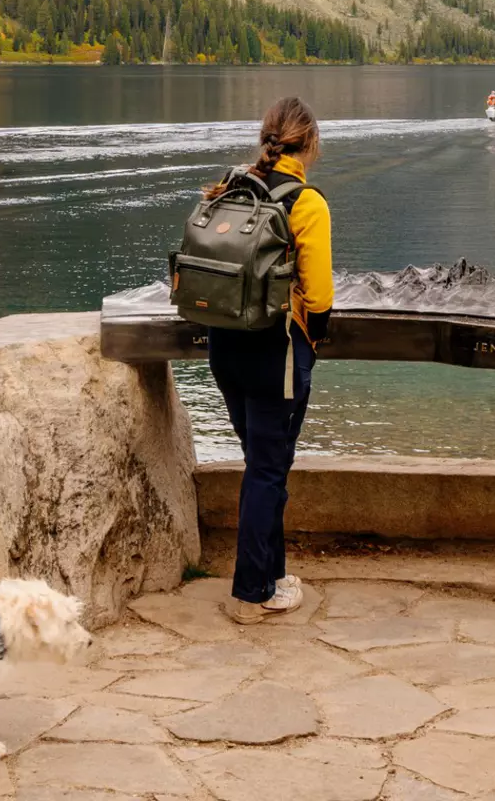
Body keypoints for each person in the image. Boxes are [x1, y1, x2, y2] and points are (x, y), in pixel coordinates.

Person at [207, 97, 332, 623]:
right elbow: (320, 296)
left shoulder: (228, 186)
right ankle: (251, 594)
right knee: (267, 471)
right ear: (310, 145)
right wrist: (314, 342)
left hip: (223, 346)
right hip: (274, 355)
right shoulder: (305, 203)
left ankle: (274, 576)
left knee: (264, 467)